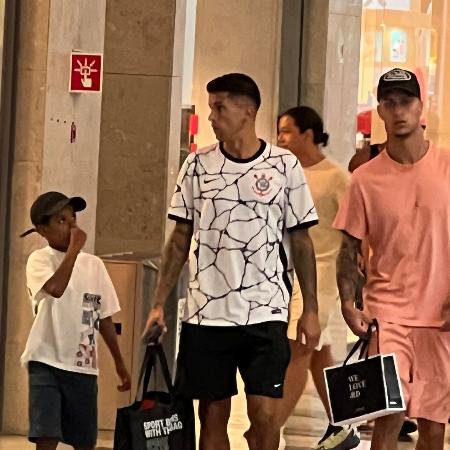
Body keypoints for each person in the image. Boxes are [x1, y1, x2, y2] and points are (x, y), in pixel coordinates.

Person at [142, 73, 321, 450]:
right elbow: (178, 240)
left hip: (266, 311)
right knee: (211, 415)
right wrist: (159, 303)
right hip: (206, 313)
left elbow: (302, 242)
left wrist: (311, 310)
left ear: (249, 110)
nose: (212, 117)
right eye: (211, 108)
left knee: (265, 416)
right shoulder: (197, 166)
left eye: (220, 107)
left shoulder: (284, 167)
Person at [334, 68, 450, 450]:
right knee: (389, 415)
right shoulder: (365, 179)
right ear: (380, 110)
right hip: (387, 316)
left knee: (434, 427)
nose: (398, 111)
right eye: (389, 103)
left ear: (421, 107)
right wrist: (349, 305)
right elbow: (349, 249)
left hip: (441, 318)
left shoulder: (448, 167)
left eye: (406, 102)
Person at [276, 106, 359, 450]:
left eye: (286, 132)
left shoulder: (337, 177)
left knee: (300, 347)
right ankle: (344, 423)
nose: (280, 139)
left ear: (308, 135)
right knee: (319, 358)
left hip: (323, 275)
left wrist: (354, 280)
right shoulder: (285, 172)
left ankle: (269, 427)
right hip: (292, 274)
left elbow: (356, 229)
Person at [20, 192, 131, 450]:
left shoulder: (94, 265)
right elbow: (56, 288)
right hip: (45, 361)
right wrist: (73, 251)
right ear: (42, 230)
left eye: (73, 218)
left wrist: (119, 363)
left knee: (84, 441)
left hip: (83, 367)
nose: (71, 226)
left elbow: (104, 317)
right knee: (47, 435)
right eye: (61, 220)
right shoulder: (39, 260)